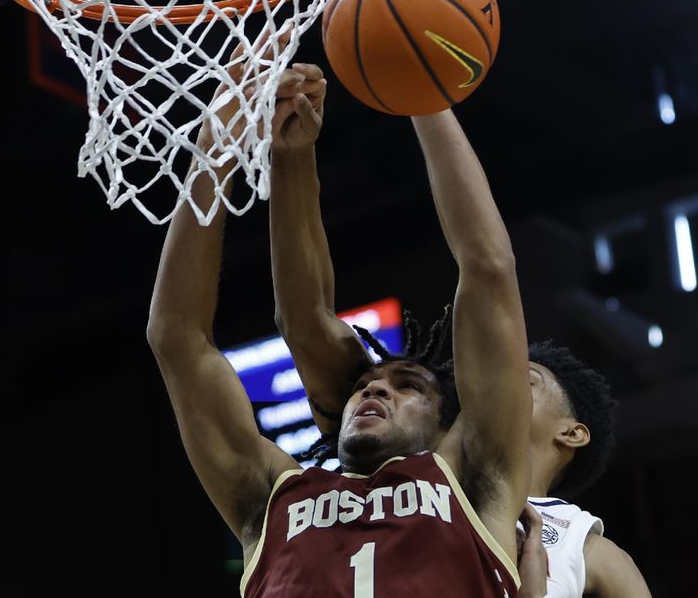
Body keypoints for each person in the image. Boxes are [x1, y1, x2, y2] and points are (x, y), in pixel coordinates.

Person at [147, 39, 534, 597]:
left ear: (451, 424)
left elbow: (489, 267)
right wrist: (215, 145)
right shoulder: (272, 499)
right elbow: (175, 338)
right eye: (367, 383)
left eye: (408, 387)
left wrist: (417, 87)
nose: (375, 388)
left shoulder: (476, 478)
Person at [268, 63, 652, 597]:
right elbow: (306, 319)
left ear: (571, 432)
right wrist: (291, 159)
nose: (497, 375)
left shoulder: (587, 548)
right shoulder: (421, 461)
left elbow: (490, 268)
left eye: (526, 378)